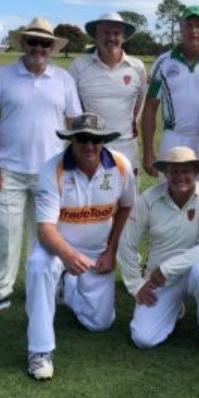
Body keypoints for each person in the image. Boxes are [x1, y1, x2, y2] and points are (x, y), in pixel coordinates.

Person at [0, 17, 82, 319]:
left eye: (45, 43)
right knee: (5, 232)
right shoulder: (1, 77)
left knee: (47, 235)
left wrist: (73, 163)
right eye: (32, 42)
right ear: (23, 43)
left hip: (51, 171)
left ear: (52, 47)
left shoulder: (63, 80)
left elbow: (74, 123)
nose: (39, 48)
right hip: (8, 169)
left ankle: (46, 287)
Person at [25, 113, 136, 380]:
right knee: (39, 266)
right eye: (83, 139)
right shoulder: (52, 169)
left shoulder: (120, 165)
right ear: (72, 140)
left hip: (97, 251)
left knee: (99, 324)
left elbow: (125, 206)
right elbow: (45, 229)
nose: (90, 146)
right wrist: (68, 254)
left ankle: (66, 289)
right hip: (58, 248)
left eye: (96, 140)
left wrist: (110, 251)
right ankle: (39, 351)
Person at [118, 147, 199, 357]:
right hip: (160, 281)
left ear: (196, 172)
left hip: (191, 271)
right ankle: (175, 308)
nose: (180, 177)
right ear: (166, 173)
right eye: (174, 172)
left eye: (186, 171)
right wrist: (136, 285)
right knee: (143, 339)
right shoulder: (148, 200)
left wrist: (166, 269)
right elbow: (126, 243)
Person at [141, 5, 199, 185]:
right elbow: (150, 108)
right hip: (174, 138)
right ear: (180, 28)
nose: (193, 30)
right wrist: (148, 152)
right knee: (171, 195)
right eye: (188, 25)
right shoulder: (164, 61)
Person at [69, 12, 147, 173]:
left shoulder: (137, 67)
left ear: (123, 36)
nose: (111, 38)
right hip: (90, 148)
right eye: (105, 32)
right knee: (93, 198)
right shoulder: (79, 66)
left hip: (127, 148)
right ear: (96, 35)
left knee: (127, 198)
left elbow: (139, 105)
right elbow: (71, 110)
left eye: (116, 33)